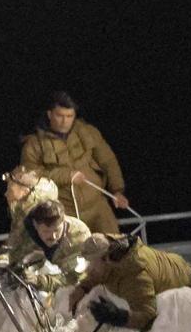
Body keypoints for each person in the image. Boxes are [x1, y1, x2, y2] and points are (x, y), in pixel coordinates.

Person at [19, 91, 128, 236]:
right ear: (50, 114)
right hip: (65, 212)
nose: (65, 121)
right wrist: (65, 175)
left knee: (115, 248)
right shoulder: (34, 144)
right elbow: (29, 176)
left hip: (98, 206)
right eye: (60, 116)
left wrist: (117, 190)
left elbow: (108, 161)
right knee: (75, 255)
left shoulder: (88, 132)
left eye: (69, 116)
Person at [70, 233, 191, 331]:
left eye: (92, 264)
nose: (88, 270)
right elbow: (99, 272)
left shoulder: (134, 276)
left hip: (184, 280)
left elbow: (148, 316)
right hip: (172, 263)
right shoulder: (112, 245)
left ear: (106, 260)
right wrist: (82, 288)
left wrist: (116, 316)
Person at [3, 198, 92, 291]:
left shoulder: (79, 236)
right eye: (46, 231)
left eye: (57, 230)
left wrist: (40, 281)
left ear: (64, 221)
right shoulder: (25, 232)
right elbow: (15, 263)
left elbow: (74, 278)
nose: (53, 236)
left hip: (63, 285)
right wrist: (23, 272)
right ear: (35, 225)